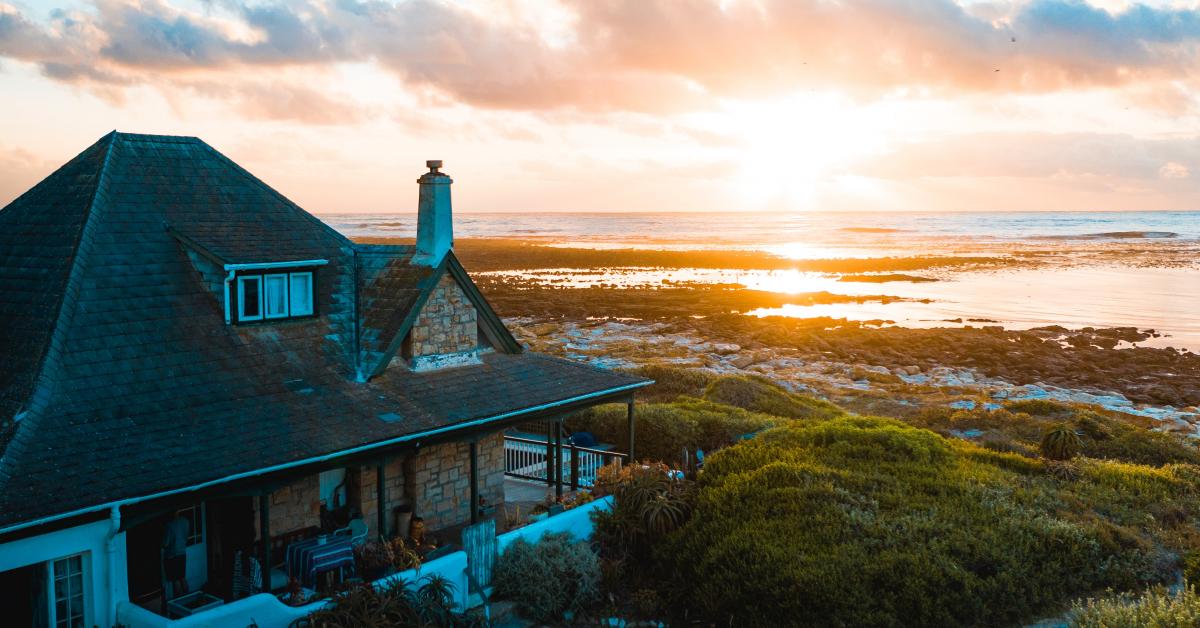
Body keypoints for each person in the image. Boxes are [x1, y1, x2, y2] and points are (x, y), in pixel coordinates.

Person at [162, 510, 190, 598]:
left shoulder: (169, 525)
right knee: (182, 577)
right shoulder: (185, 521)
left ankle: (180, 600)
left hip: (172, 555)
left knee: (175, 579)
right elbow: (186, 536)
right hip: (182, 553)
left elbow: (165, 543)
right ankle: (188, 597)